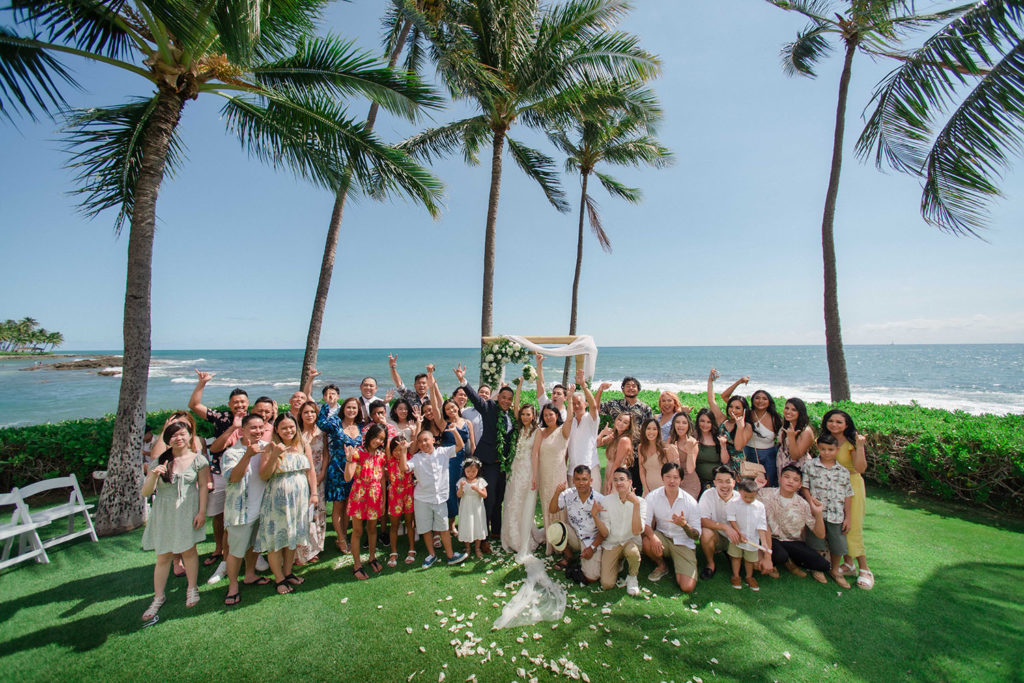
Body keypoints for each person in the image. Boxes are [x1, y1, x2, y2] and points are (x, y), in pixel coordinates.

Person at [140, 421, 210, 620]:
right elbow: (145, 492)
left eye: (182, 434)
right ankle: (158, 596)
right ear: (167, 440)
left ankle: (192, 588)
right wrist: (153, 476)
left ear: (189, 436)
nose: (178, 438)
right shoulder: (159, 461)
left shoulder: (199, 460)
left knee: (189, 551)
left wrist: (202, 512)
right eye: (173, 435)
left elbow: (204, 486)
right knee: (163, 556)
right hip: (164, 512)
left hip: (188, 511)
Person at [188, 370, 245, 572]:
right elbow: (194, 406)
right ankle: (219, 548)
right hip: (221, 472)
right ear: (230, 404)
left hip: (245, 473)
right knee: (220, 514)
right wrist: (202, 383)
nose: (239, 405)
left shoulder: (254, 420)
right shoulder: (222, 418)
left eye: (243, 402)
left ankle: (244, 550)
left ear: (248, 404)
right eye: (235, 402)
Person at [254, 413, 316, 594]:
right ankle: (279, 578)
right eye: (284, 428)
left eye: (291, 427)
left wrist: (314, 493)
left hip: (300, 498)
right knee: (276, 539)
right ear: (277, 430)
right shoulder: (270, 447)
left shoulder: (303, 444)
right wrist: (275, 455)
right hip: (278, 500)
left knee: (293, 537)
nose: (288, 431)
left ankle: (288, 573)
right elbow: (264, 475)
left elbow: (310, 470)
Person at [455, 363, 514, 551]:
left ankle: (497, 531)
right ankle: (485, 538)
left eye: (509, 399)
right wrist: (463, 381)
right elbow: (476, 399)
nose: (505, 401)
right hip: (487, 463)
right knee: (489, 499)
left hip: (501, 465)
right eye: (503, 397)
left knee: (499, 498)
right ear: (498, 397)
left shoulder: (509, 416)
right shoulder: (490, 408)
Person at [220, 414, 271, 606]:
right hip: (241, 512)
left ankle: (249, 574)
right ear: (243, 430)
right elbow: (233, 477)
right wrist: (248, 455)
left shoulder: (267, 448)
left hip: (261, 509)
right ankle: (233, 586)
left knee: (253, 547)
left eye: (261, 428)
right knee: (235, 552)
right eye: (253, 428)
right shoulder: (232, 453)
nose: (258, 432)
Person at [820, 409, 873, 589]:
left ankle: (864, 569)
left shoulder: (851, 443)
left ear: (846, 425)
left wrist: (860, 446)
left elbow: (860, 468)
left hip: (851, 485)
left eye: (839, 422)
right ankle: (849, 564)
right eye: (831, 421)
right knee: (838, 525)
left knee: (852, 527)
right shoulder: (826, 441)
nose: (834, 424)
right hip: (831, 486)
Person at [403, 428, 469, 568]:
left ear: (433, 440)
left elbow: (460, 446)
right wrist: (403, 451)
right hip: (422, 499)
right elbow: (404, 468)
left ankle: (450, 555)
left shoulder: (443, 452)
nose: (423, 443)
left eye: (426, 440)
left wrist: (454, 431)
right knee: (426, 529)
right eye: (420, 441)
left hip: (440, 498)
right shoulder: (417, 458)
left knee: (444, 528)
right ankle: (431, 555)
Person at [758, 464, 829, 583]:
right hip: (770, 539)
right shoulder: (764, 494)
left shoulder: (803, 504)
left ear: (800, 485)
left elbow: (820, 535)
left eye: (795, 480)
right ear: (780, 478)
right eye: (787, 477)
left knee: (824, 565)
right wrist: (756, 487)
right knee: (780, 555)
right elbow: (744, 500)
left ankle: (789, 561)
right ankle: (781, 561)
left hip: (792, 542)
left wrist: (818, 514)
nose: (790, 481)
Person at [801, 432, 854, 589]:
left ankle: (835, 570)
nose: (826, 452)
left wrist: (848, 517)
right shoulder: (810, 465)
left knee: (838, 544)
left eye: (830, 449)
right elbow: (805, 487)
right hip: (817, 512)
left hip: (836, 514)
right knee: (816, 542)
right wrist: (810, 502)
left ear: (837, 450)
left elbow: (848, 495)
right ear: (818, 448)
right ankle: (818, 568)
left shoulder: (843, 471)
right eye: (823, 449)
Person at [427, 365, 475, 533]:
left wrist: (473, 465)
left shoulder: (467, 423)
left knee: (459, 492)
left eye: (453, 407)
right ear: (445, 412)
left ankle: (455, 523)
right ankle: (444, 525)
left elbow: (472, 446)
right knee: (447, 491)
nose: (451, 410)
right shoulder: (443, 424)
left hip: (462, 462)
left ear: (457, 407)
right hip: (447, 462)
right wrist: (431, 384)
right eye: (447, 409)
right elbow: (434, 404)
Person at [641, 462, 701, 594]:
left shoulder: (690, 502)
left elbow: (696, 536)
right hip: (663, 537)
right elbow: (645, 523)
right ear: (662, 477)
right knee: (646, 541)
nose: (671, 481)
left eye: (676, 478)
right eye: (668, 477)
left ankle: (680, 564)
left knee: (687, 587)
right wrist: (653, 537)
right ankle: (661, 565)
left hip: (683, 542)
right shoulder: (653, 496)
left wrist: (684, 525)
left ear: (681, 480)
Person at [318, 396, 362, 554]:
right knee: (338, 505)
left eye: (354, 408)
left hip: (354, 470)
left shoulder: (360, 427)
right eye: (349, 407)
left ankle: (343, 535)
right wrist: (328, 405)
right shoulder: (336, 423)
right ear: (343, 409)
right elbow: (321, 422)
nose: (351, 410)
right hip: (337, 469)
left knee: (348, 506)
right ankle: (341, 539)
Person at [592, 467, 645, 595]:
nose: (619, 483)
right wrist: (595, 516)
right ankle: (619, 561)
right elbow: (606, 532)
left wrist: (636, 505)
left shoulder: (641, 502)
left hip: (630, 542)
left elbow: (637, 531)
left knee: (632, 551)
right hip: (612, 543)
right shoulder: (607, 501)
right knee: (607, 584)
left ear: (630, 482)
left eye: (622, 479)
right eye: (615, 480)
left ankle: (632, 577)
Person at [500, 381, 538, 554]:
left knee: (523, 503)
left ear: (533, 415)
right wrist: (519, 386)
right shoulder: (518, 428)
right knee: (511, 501)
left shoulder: (538, 432)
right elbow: (515, 406)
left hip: (528, 471)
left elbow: (536, 455)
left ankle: (523, 537)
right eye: (522, 414)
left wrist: (535, 476)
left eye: (528, 414)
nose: (524, 417)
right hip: (515, 469)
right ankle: (510, 537)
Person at [346, 424, 388, 580]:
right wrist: (349, 460)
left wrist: (383, 500)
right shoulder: (358, 453)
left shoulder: (381, 455)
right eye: (376, 437)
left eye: (382, 439)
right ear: (369, 436)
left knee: (372, 528)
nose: (378, 441)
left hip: (375, 496)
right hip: (359, 495)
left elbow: (383, 479)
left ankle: (372, 557)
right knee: (357, 531)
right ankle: (357, 564)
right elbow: (348, 477)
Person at [549, 466, 604, 581]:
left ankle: (582, 562)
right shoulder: (568, 494)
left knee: (592, 578)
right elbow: (552, 510)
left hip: (591, 540)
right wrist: (557, 493)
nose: (581, 483)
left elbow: (605, 531)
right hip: (575, 535)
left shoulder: (599, 500)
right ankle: (569, 557)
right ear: (573, 480)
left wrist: (592, 548)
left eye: (584, 479)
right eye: (577, 479)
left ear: (591, 480)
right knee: (555, 529)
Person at [532, 403, 573, 555]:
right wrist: (534, 475)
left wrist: (569, 397)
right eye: (545, 415)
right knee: (547, 505)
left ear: (557, 415)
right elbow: (535, 453)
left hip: (558, 474)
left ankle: (563, 541)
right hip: (544, 475)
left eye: (551, 414)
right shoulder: (540, 432)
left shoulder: (563, 430)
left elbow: (570, 419)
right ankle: (552, 541)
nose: (548, 417)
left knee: (559, 505)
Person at [723, 384, 782, 487]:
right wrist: (739, 382)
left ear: (769, 402)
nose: (760, 401)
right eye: (757, 398)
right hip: (749, 453)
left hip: (769, 456)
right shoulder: (746, 414)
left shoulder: (775, 418)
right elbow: (725, 396)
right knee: (749, 484)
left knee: (768, 483)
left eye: (764, 398)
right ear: (752, 400)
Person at [726, 479, 771, 591]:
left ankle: (749, 577)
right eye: (746, 497)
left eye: (752, 497)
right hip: (737, 537)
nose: (749, 500)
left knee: (750, 560)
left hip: (752, 539)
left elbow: (761, 525)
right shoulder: (733, 503)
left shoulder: (760, 506)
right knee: (736, 557)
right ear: (740, 491)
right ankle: (736, 576)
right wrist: (739, 533)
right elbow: (731, 519)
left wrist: (764, 542)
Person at [697, 465, 741, 580]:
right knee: (706, 533)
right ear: (714, 483)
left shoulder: (739, 498)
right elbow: (702, 520)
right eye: (720, 481)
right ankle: (711, 564)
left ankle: (730, 552)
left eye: (728, 481)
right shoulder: (708, 494)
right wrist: (725, 527)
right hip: (718, 536)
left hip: (736, 537)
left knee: (748, 567)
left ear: (734, 483)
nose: (724, 486)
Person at [296, 400, 326, 565]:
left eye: (312, 412)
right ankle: (301, 550)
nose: (309, 415)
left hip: (319, 475)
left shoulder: (321, 433)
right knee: (302, 515)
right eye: (306, 412)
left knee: (318, 513)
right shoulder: (297, 434)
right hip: (301, 477)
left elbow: (325, 454)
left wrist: (322, 473)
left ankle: (315, 548)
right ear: (301, 415)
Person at [705, 368, 751, 471]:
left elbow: (738, 447)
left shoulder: (747, 426)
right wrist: (710, 381)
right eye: (731, 406)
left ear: (744, 410)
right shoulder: (723, 420)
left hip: (737, 467)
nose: (733, 410)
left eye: (738, 408)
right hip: (720, 461)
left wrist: (740, 427)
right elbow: (711, 401)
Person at [565, 371, 604, 491]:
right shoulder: (569, 421)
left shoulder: (591, 418)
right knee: (573, 507)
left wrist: (583, 385)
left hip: (590, 467)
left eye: (579, 403)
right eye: (573, 403)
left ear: (585, 404)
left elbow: (594, 406)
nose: (576, 406)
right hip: (572, 471)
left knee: (593, 505)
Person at [385, 436, 417, 566]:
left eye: (401, 449)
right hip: (394, 496)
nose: (399, 452)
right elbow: (387, 447)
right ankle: (393, 551)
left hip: (408, 493)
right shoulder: (390, 461)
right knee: (394, 525)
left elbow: (413, 446)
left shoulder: (409, 457)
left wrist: (405, 449)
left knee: (409, 523)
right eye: (396, 450)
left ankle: (411, 549)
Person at [457, 457, 488, 559]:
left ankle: (477, 548)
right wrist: (461, 487)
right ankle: (467, 548)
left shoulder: (480, 481)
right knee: (467, 524)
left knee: (478, 524)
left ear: (478, 471)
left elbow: (484, 495)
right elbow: (459, 495)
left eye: (473, 471)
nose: (471, 473)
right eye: (468, 471)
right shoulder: (462, 481)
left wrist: (478, 489)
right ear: (464, 471)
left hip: (477, 507)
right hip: (466, 506)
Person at [637, 417, 676, 497]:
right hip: (648, 491)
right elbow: (642, 470)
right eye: (648, 428)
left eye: (654, 429)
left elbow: (672, 471)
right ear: (644, 430)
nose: (651, 432)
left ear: (658, 431)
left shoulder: (664, 448)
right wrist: (646, 489)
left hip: (664, 490)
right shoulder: (641, 447)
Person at [694, 408, 731, 489]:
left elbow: (725, 461)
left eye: (708, 422)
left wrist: (723, 446)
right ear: (697, 421)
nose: (705, 425)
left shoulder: (718, 437)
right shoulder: (693, 437)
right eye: (702, 421)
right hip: (698, 481)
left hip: (716, 482)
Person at [597, 412, 635, 494]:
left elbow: (617, 463)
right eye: (619, 420)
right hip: (609, 474)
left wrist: (611, 481)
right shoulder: (613, 436)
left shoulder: (624, 440)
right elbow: (597, 444)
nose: (621, 423)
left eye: (625, 422)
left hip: (617, 477)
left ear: (629, 426)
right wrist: (602, 433)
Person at [666, 412, 700, 498]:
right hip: (674, 481)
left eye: (684, 423)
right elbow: (671, 466)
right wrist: (676, 457)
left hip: (690, 482)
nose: (680, 425)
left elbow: (690, 469)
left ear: (688, 426)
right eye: (678, 422)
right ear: (674, 424)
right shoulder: (670, 440)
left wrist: (689, 452)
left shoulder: (692, 442)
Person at [534, 352, 568, 420]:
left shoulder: (564, 415)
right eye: (554, 393)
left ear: (565, 398)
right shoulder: (545, 403)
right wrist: (539, 364)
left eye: (558, 394)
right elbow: (540, 384)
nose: (555, 395)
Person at [456, 384, 488, 449]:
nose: (484, 394)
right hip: (470, 451)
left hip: (487, 451)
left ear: (490, 396)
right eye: (481, 392)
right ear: (476, 394)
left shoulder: (493, 413)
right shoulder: (465, 412)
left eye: (487, 393)